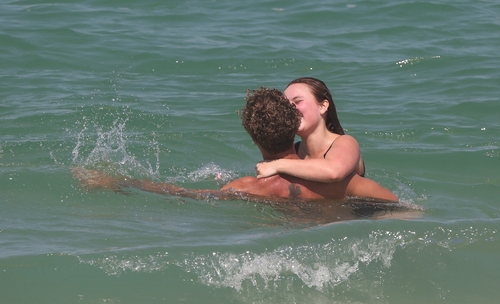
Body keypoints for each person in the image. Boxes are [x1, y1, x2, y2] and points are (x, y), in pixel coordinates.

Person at [72, 88, 397, 203]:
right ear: (294, 130)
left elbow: (183, 195)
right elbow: (391, 200)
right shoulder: (337, 182)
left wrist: (118, 182)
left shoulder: (248, 187)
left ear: (253, 137)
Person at [255, 77, 365, 183]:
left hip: (361, 202)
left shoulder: (346, 142)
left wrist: (277, 165)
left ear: (323, 106)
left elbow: (334, 172)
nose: (289, 109)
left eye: (297, 101)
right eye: (286, 105)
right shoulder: (294, 151)